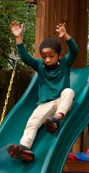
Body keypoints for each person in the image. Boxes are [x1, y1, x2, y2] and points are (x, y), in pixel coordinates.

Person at [6, 21, 77, 163]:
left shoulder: (65, 63)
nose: (47, 59)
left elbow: (74, 50)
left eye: (51, 56)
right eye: (44, 57)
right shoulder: (40, 66)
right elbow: (25, 57)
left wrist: (65, 36)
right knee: (32, 123)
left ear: (59, 55)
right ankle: (25, 149)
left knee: (69, 91)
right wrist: (18, 38)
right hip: (45, 104)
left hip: (61, 103)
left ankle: (56, 118)